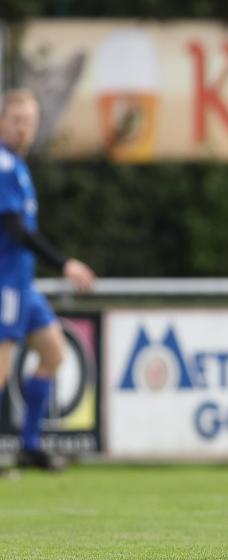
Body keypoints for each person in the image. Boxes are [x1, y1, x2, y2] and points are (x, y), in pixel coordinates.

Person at [0, 88, 95, 470]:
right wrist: (65, 263)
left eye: (30, 122)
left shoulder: (18, 165)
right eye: (17, 121)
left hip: (24, 284)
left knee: (54, 352)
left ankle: (30, 445)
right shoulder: (4, 165)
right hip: (5, 283)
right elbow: (14, 228)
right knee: (2, 370)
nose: (25, 129)